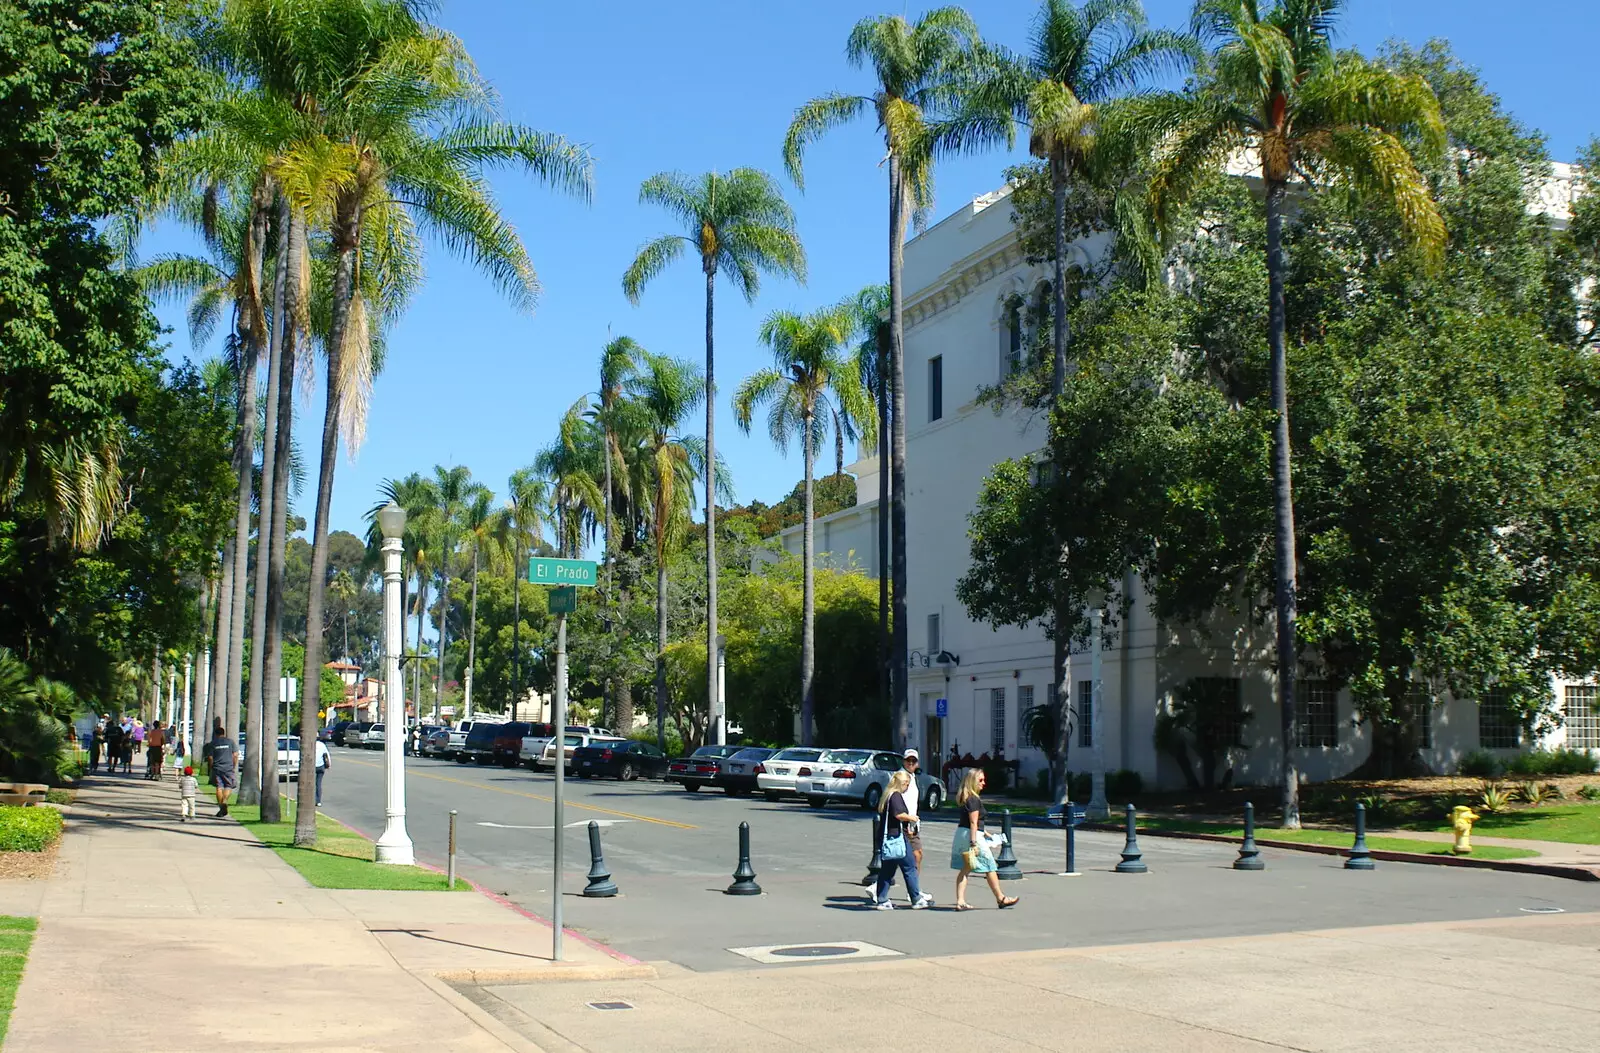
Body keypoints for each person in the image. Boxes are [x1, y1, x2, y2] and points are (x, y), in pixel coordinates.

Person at [952, 768, 1018, 910]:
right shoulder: (974, 799)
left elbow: (973, 822)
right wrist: (974, 842)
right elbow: (973, 822)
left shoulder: (966, 797)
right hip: (972, 835)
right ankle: (1001, 898)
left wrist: (987, 834)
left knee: (966, 867)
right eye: (980, 780)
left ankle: (960, 901)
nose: (984, 783)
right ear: (972, 781)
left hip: (962, 833)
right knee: (990, 866)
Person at [872, 771, 931, 910]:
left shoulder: (887, 795)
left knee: (887, 870)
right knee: (910, 867)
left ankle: (882, 899)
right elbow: (898, 814)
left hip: (888, 837)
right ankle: (916, 898)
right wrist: (912, 818)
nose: (907, 787)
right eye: (907, 784)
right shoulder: (896, 796)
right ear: (902, 783)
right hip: (896, 838)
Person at [206, 719, 239, 818]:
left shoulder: (213, 743)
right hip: (228, 767)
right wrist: (233, 765)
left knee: (219, 787)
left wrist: (211, 766)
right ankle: (224, 801)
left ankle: (221, 807)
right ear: (224, 733)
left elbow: (210, 757)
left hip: (217, 768)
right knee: (228, 786)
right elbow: (235, 755)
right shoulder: (230, 742)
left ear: (216, 734)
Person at [313, 735, 331, 807]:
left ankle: (312, 799)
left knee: (310, 784)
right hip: (320, 766)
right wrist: (329, 765)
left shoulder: (310, 744)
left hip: (312, 766)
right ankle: (318, 801)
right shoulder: (322, 745)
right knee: (318, 784)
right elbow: (327, 755)